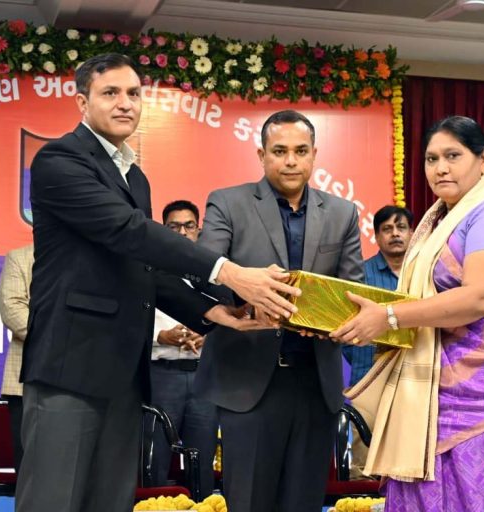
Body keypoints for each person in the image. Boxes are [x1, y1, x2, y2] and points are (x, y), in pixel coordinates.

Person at [16, 53, 299, 512]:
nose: (125, 103)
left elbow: (144, 265)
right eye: (111, 93)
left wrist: (213, 310)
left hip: (125, 374)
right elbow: (128, 231)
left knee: (110, 502)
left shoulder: (135, 177)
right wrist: (228, 271)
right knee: (53, 501)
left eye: (133, 93)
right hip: (70, 368)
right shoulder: (59, 160)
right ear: (82, 102)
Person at [332, 115, 484, 511]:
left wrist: (390, 317)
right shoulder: (436, 223)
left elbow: (479, 298)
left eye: (452, 156)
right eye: (432, 159)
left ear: (483, 161)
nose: (441, 168)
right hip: (428, 385)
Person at [194, 109, 364, 512]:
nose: (291, 161)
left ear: (314, 154)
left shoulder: (342, 212)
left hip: (316, 381)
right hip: (248, 381)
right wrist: (247, 296)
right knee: (250, 501)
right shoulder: (228, 202)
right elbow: (203, 271)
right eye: (280, 151)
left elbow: (352, 290)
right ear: (262, 155)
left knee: (304, 502)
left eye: (301, 151)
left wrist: (326, 319)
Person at [148, 200, 219, 496]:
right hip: (162, 375)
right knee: (154, 457)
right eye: (174, 226)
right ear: (162, 230)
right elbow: (132, 318)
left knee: (201, 459)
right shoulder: (147, 269)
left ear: (199, 230)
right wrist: (159, 336)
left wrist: (210, 336)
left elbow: (232, 318)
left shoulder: (214, 274)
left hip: (204, 376)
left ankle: (203, 506)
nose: (182, 232)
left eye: (189, 226)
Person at [343, 205, 413, 388]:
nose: (395, 233)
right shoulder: (359, 275)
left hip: (414, 378)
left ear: (412, 234)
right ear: (376, 237)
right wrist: (361, 359)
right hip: (368, 377)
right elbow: (344, 325)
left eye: (401, 227)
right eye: (387, 229)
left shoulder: (424, 274)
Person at [0, 243, 34, 473]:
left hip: (80, 382)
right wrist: (61, 340)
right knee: (29, 469)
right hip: (24, 384)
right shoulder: (20, 257)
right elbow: (12, 310)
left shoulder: (86, 257)